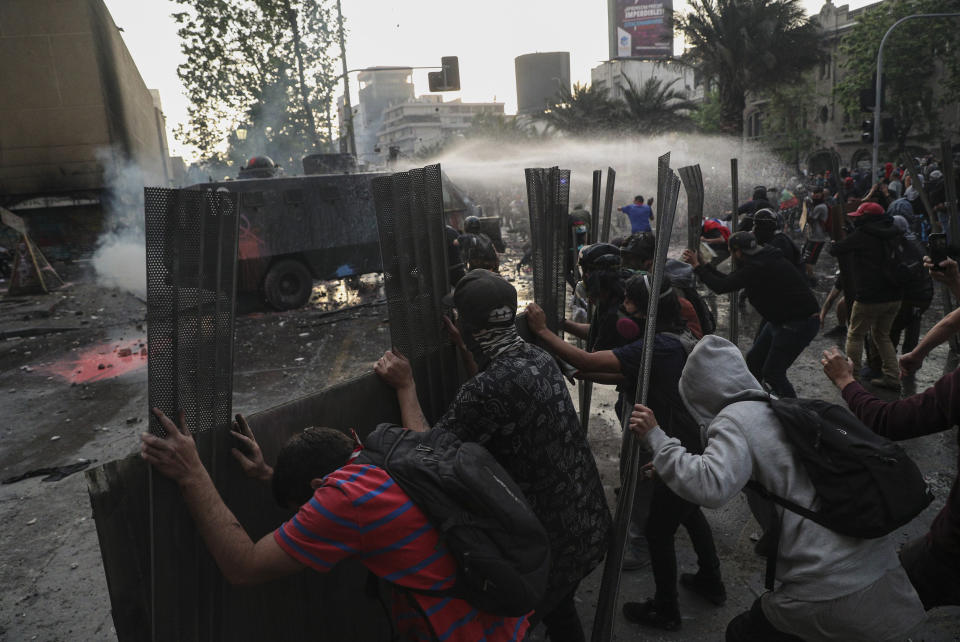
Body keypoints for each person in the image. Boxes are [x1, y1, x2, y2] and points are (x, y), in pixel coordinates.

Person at [629, 335, 927, 641]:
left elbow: (711, 486)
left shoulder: (734, 419)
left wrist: (657, 440)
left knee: (742, 633)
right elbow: (752, 467)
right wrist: (674, 466)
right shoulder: (774, 407)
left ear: (698, 393)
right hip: (871, 563)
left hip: (826, 584)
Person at [139, 411, 529, 641]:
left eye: (303, 510)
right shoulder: (375, 454)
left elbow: (243, 566)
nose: (305, 519)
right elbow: (335, 502)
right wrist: (268, 474)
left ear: (319, 490)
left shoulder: (345, 501)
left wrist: (192, 473)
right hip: (503, 617)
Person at [374, 270, 611, 642]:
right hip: (587, 523)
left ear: (468, 328)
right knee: (560, 608)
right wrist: (467, 348)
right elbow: (500, 397)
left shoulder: (486, 390)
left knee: (509, 628)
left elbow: (425, 454)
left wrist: (406, 387)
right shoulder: (538, 358)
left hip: (544, 547)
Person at [526, 274, 724, 632]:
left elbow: (588, 357)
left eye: (629, 303)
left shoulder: (655, 346)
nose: (623, 308)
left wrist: (543, 332)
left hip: (677, 443)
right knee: (690, 511)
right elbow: (622, 375)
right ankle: (711, 579)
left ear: (642, 308)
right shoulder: (673, 337)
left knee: (659, 530)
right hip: (691, 437)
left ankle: (666, 610)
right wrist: (583, 372)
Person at [822, 334, 960, 611]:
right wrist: (919, 351)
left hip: (951, 547)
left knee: (879, 604)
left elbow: (887, 421)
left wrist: (845, 381)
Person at [681, 231, 819, 398]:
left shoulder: (758, 266)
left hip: (799, 323)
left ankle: (795, 415)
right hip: (780, 320)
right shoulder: (761, 258)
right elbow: (730, 279)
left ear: (738, 252)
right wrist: (704, 266)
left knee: (773, 373)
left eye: (731, 252)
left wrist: (697, 267)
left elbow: (721, 286)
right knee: (754, 360)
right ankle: (759, 401)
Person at [827, 201, 904, 390]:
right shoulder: (894, 231)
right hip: (895, 294)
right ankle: (893, 376)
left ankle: (852, 379)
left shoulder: (862, 235)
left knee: (855, 335)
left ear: (866, 218)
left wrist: (842, 238)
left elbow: (835, 250)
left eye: (860, 217)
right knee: (882, 335)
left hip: (870, 296)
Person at [801, 187, 830, 284]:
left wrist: (808, 207)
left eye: (817, 194)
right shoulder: (817, 205)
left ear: (821, 195)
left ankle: (812, 280)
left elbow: (810, 219)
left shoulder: (820, 207)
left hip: (817, 238)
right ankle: (808, 276)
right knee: (804, 258)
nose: (814, 196)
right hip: (812, 237)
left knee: (807, 260)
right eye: (814, 193)